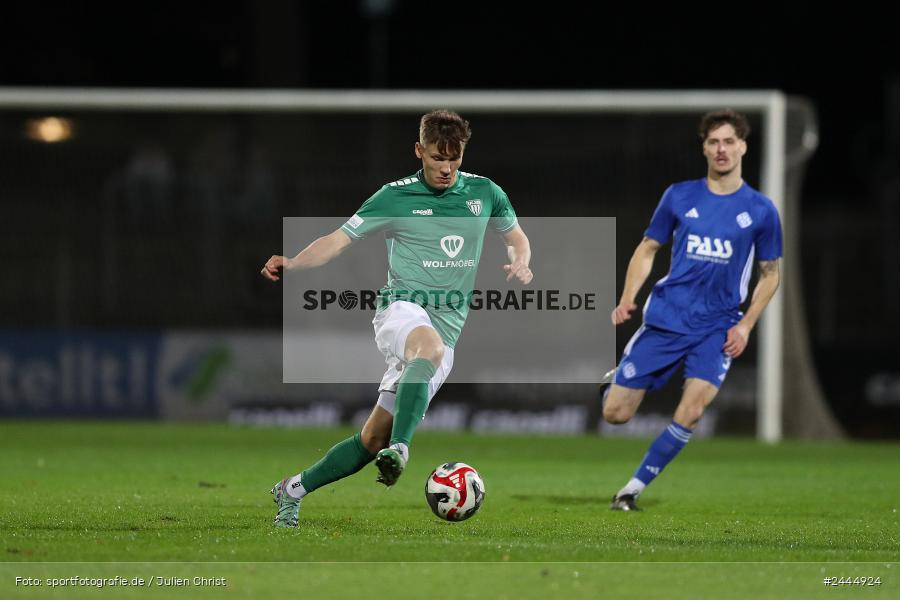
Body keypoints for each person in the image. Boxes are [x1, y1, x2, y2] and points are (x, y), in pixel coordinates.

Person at [261, 110, 532, 527]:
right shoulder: (394, 196)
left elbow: (515, 238)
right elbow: (338, 240)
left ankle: (291, 489)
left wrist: (521, 262)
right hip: (401, 309)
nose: (446, 168)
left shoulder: (485, 193)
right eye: (437, 159)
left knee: (371, 439)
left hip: (446, 331)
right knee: (428, 349)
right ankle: (403, 449)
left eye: (454, 159)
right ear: (419, 151)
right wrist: (294, 263)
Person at [603, 109, 782, 511]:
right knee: (615, 414)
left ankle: (630, 491)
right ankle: (615, 382)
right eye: (714, 142)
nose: (722, 149)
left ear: (743, 147)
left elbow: (770, 275)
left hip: (718, 328)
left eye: (729, 141)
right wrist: (628, 296)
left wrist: (747, 325)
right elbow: (648, 248)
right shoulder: (679, 195)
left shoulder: (761, 210)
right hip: (667, 318)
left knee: (694, 408)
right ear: (704, 148)